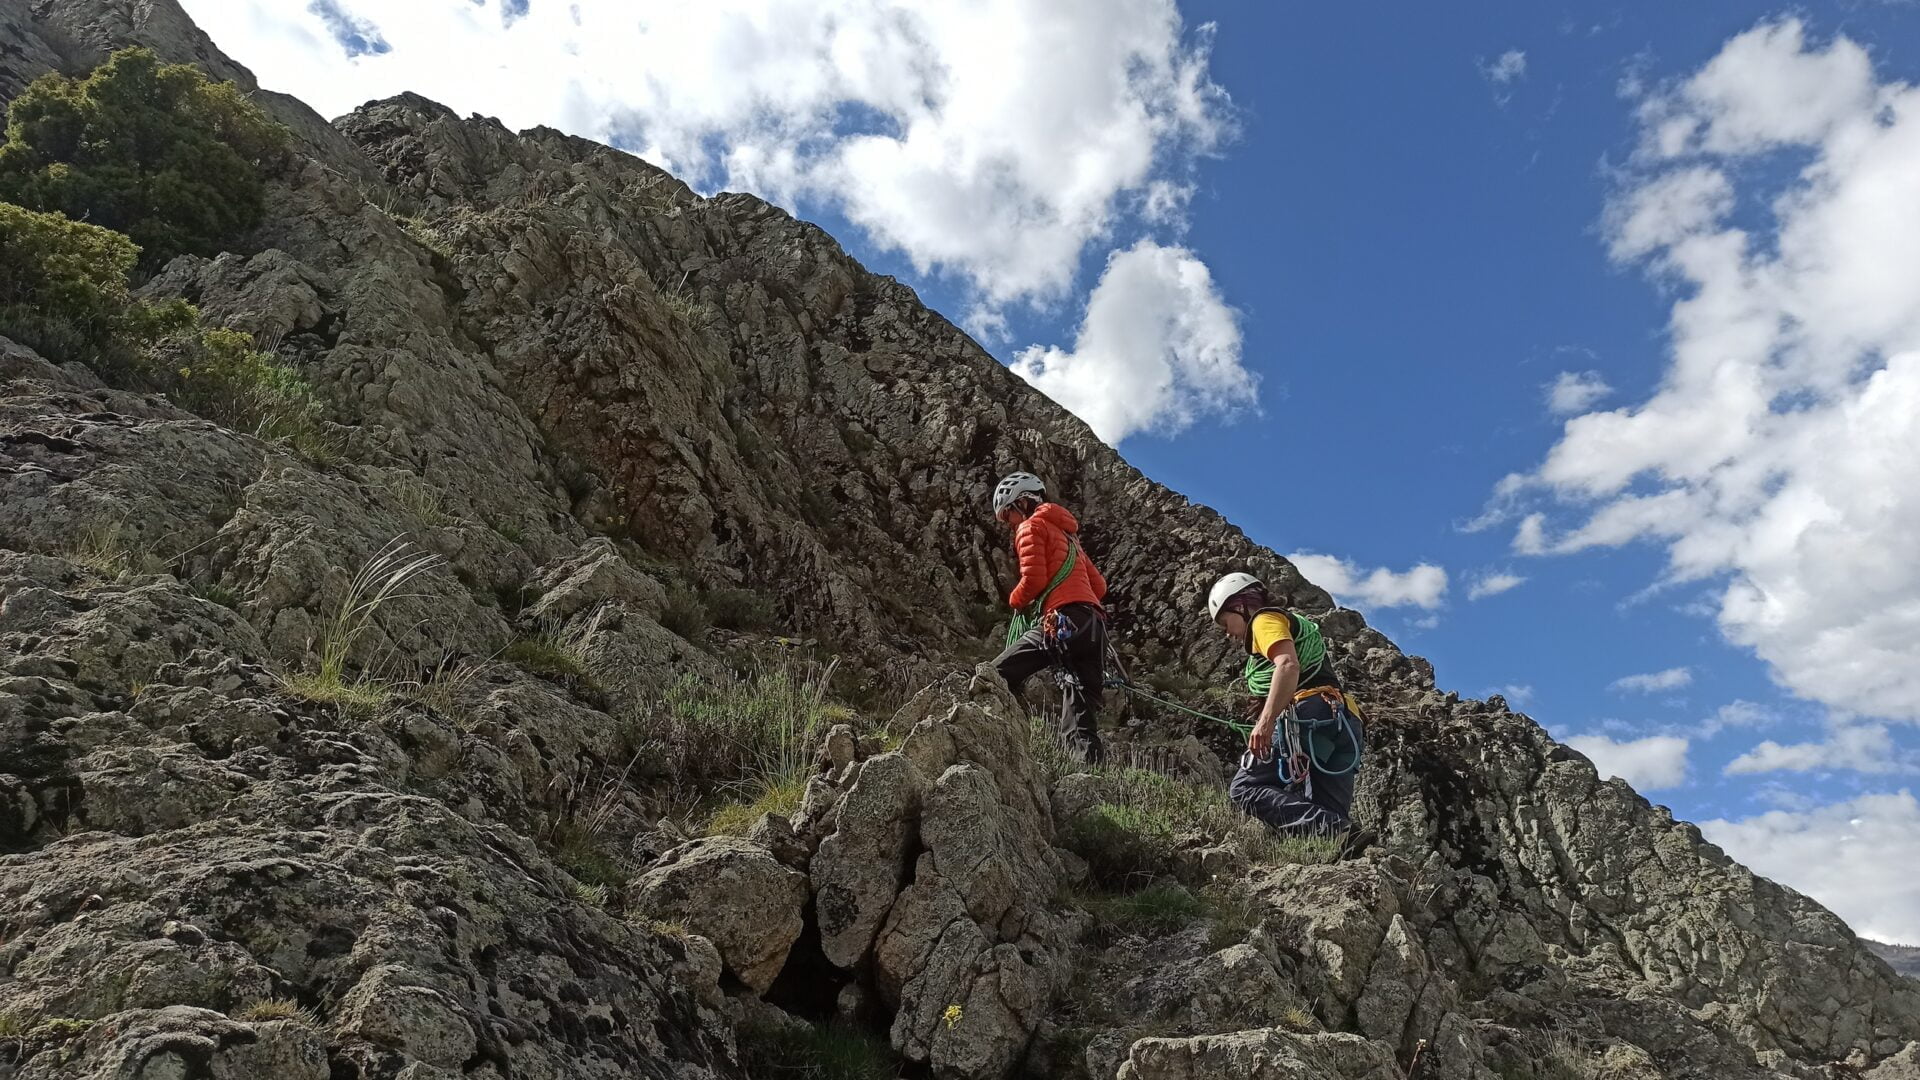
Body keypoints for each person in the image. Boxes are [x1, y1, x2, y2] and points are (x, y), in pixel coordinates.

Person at [1206, 573, 1364, 836]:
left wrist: (1265, 723)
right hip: (1345, 722)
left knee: (1245, 788)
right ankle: (1348, 846)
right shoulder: (1282, 624)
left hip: (1309, 714)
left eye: (1225, 622)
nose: (1227, 634)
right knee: (1331, 825)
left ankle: (1339, 836)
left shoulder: (1263, 620)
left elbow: (1288, 665)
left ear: (1241, 606)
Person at [990, 472, 1109, 765]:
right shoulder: (1070, 537)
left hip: (1063, 620)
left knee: (993, 675)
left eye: (1009, 516)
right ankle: (1090, 773)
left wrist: (1015, 601)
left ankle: (991, 738)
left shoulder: (1030, 527)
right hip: (1094, 627)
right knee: (1079, 707)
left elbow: (1034, 579)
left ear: (1022, 503)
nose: (1010, 524)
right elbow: (1100, 587)